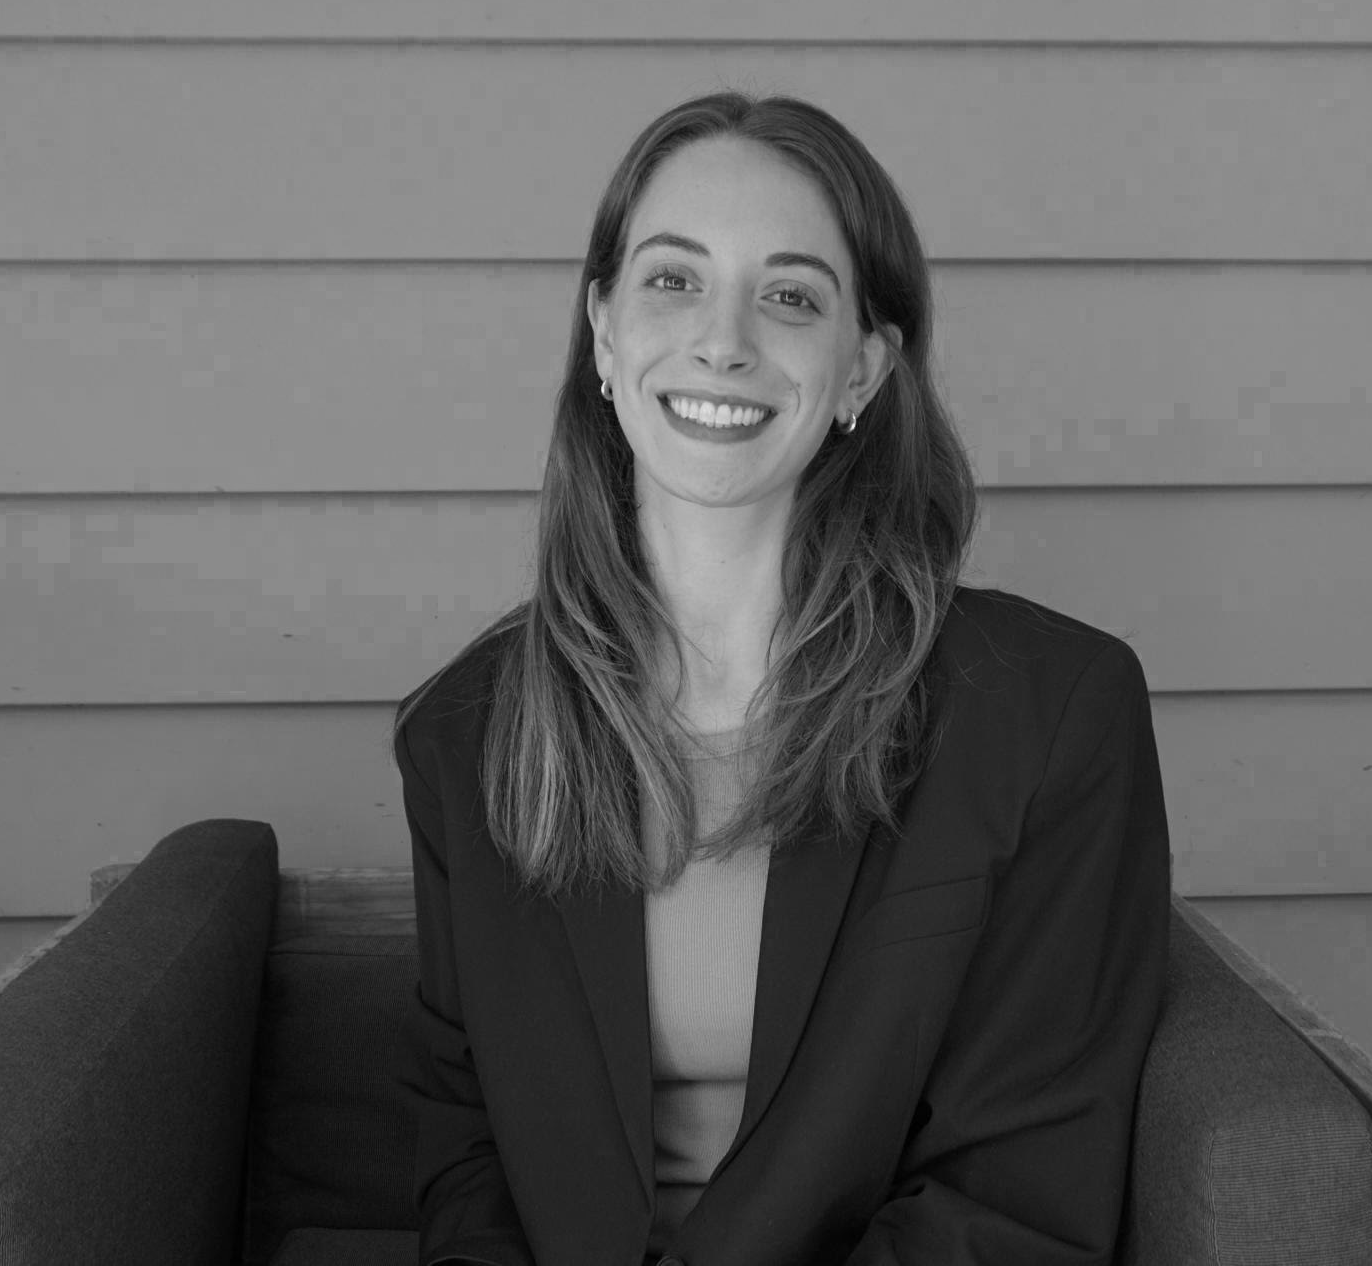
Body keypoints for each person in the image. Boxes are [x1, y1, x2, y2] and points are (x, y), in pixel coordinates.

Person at [391, 91, 1171, 1266]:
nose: (725, 339)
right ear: (602, 332)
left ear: (861, 367)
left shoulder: (1049, 711)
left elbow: (1019, 1189)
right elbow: (465, 1149)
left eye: (791, 295)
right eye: (672, 278)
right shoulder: (469, 731)